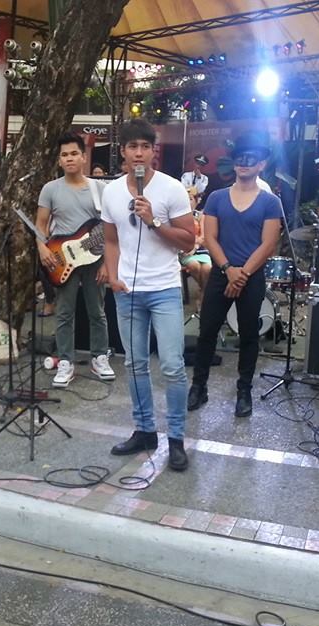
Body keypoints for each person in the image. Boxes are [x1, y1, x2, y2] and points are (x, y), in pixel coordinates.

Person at [101, 119, 196, 471]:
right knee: (134, 363)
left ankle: (176, 439)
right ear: (123, 152)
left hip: (164, 289)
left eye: (145, 146)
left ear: (154, 151)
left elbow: (189, 240)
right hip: (127, 291)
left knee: (172, 365)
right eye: (132, 147)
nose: (139, 153)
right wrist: (113, 276)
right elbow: (111, 240)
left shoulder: (172, 188)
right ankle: (144, 430)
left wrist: (155, 221)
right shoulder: (111, 192)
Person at [187, 134, 284, 418]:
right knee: (207, 331)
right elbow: (210, 238)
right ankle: (199, 386)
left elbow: (268, 244)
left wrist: (242, 274)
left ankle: (244, 390)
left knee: (250, 335)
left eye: (250, 158)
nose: (244, 163)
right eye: (239, 158)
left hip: (251, 277)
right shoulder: (217, 198)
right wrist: (229, 270)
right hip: (221, 273)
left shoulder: (270, 202)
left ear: (261, 164)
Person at [36, 132, 115, 387]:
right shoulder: (50, 189)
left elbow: (111, 229)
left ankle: (99, 357)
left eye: (74, 154)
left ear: (83, 157)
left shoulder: (100, 189)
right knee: (64, 312)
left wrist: (107, 263)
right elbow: (40, 224)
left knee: (97, 311)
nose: (69, 158)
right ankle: (65, 361)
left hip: (94, 258)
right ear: (59, 160)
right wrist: (42, 248)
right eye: (64, 155)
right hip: (62, 259)